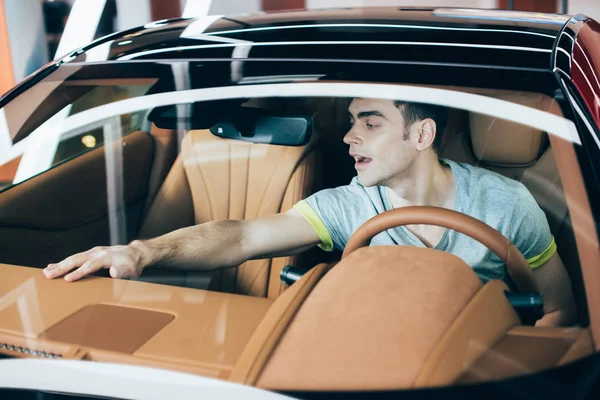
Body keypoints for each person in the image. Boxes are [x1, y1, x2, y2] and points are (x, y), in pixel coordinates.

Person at [43, 98, 577, 327]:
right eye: (351, 121)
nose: (348, 137)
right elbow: (242, 236)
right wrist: (143, 250)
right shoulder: (349, 204)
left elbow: (559, 312)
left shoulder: (507, 206)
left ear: (421, 134)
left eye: (370, 123)